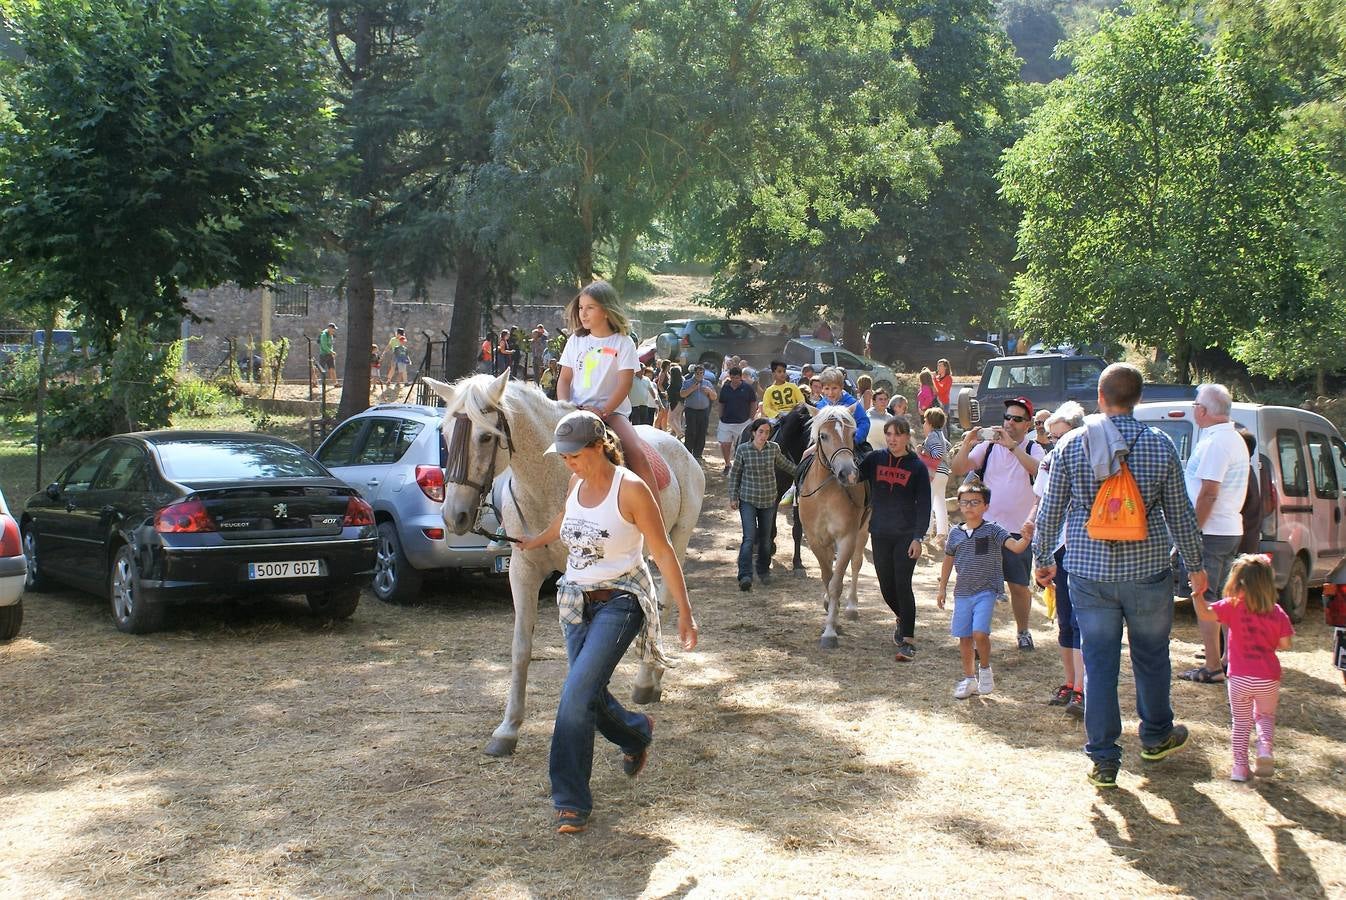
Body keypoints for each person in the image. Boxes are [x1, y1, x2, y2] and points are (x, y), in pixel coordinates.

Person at [516, 411, 698, 834]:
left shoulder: (631, 489)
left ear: (599, 446)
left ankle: (570, 799)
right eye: (563, 457)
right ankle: (635, 733)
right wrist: (535, 541)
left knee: (575, 692)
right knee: (588, 694)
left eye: (574, 455)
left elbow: (664, 552)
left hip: (622, 600)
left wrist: (685, 613)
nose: (568, 463)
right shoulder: (575, 482)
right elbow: (566, 521)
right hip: (575, 601)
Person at [1032, 363, 1207, 789]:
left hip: (1089, 572)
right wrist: (1196, 565)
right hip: (1147, 571)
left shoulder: (1071, 444)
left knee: (1099, 663)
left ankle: (1105, 758)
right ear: (1139, 399)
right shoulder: (1160, 445)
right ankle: (1155, 736)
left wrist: (1042, 557)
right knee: (1151, 657)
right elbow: (1180, 515)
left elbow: (1052, 509)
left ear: (1100, 395)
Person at [950, 396, 1046, 650]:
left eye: (1017, 419)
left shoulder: (1033, 448)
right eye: (1007, 418)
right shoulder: (989, 447)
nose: (1010, 423)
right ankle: (977, 636)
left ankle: (1023, 631)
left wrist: (1013, 447)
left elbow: (1038, 470)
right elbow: (959, 468)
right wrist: (967, 443)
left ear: (1028, 424)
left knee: (1018, 586)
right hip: (987, 530)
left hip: (1017, 531)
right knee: (979, 583)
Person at [1192, 554, 1293, 781]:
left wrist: (1197, 595)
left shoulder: (1232, 606)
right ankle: (1265, 749)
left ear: (1237, 582)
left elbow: (1205, 614)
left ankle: (1239, 768)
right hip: (1268, 677)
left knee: (1241, 722)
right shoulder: (1276, 611)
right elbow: (1285, 643)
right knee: (1265, 716)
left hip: (1238, 678)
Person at [556, 282, 659, 498]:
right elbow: (564, 379)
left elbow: (625, 384)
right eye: (581, 308)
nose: (583, 313)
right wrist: (565, 407)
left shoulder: (623, 343)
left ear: (606, 310)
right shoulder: (575, 340)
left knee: (637, 454)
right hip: (574, 410)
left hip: (612, 413)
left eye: (590, 307)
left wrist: (602, 410)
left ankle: (656, 520)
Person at [1179, 383, 1250, 685]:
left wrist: (1192, 530)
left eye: (1195, 404)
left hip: (1211, 531)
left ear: (1204, 411)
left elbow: (1208, 492)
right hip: (1226, 528)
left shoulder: (1218, 442)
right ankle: (1227, 659)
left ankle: (1213, 666)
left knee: (1203, 597)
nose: (1193, 409)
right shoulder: (1230, 438)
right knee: (1225, 598)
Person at [937, 481, 1034, 698]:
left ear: (986, 506)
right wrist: (942, 587)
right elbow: (948, 561)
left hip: (986, 591)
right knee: (964, 637)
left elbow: (1015, 547)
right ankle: (969, 679)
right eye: (965, 502)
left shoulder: (993, 530)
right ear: (960, 505)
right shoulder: (955, 534)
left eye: (975, 502)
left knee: (979, 633)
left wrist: (1026, 538)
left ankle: (985, 669)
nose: (969, 506)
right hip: (962, 593)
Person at [859, 417, 931, 661]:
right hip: (879, 532)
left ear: (907, 437)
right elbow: (851, 477)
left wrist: (918, 538)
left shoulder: (917, 467)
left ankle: (908, 641)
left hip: (905, 535)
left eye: (897, 434)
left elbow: (924, 506)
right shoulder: (875, 459)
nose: (892, 439)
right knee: (886, 586)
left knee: (902, 583)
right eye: (888, 434)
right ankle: (903, 617)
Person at [1033, 401, 1086, 716]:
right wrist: (1033, 532)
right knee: (1064, 620)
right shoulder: (1050, 461)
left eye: (1061, 436)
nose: (1055, 443)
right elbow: (1040, 501)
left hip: (1081, 548)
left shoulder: (1090, 458)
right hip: (1054, 548)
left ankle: (1082, 687)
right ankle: (1070, 682)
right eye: (1051, 437)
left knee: (1080, 622)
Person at [729, 417, 797, 590]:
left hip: (768, 500)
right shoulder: (743, 450)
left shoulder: (774, 449)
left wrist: (805, 470)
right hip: (748, 499)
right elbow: (735, 474)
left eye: (767, 432)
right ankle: (745, 575)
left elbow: (788, 466)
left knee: (766, 540)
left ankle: (763, 570)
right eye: (761, 432)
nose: (764, 435)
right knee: (749, 538)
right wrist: (733, 496)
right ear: (753, 432)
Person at [920, 408, 951, 551]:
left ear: (931, 423)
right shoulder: (941, 435)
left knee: (928, 501)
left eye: (925, 421)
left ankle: (926, 533)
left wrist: (924, 451)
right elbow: (947, 448)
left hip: (934, 472)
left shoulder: (932, 436)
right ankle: (942, 532)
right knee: (940, 502)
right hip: (944, 473)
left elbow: (937, 453)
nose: (924, 424)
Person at [717, 366, 758, 469]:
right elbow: (721, 403)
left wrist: (751, 418)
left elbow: (753, 403)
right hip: (726, 421)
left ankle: (739, 465)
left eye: (737, 377)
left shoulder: (748, 388)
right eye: (732, 377)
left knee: (741, 445)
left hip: (743, 422)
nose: (734, 380)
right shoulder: (725, 388)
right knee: (725, 444)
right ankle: (727, 464)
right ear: (730, 377)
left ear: (741, 377)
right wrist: (720, 416)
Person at [679, 363, 716, 461]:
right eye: (698, 373)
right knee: (691, 431)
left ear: (704, 373)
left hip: (703, 411)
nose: (699, 375)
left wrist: (709, 391)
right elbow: (682, 394)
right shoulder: (687, 382)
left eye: (701, 373)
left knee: (701, 431)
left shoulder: (707, 383)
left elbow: (714, 397)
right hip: (691, 410)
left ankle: (698, 454)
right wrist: (692, 389)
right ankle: (688, 452)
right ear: (694, 373)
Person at [317, 322, 339, 387]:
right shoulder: (324, 335)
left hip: (329, 354)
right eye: (333, 328)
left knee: (332, 368)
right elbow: (324, 346)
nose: (334, 330)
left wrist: (331, 352)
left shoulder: (331, 335)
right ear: (329, 328)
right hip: (323, 355)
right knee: (320, 369)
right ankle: (314, 381)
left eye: (334, 329)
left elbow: (330, 345)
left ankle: (335, 383)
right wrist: (331, 352)